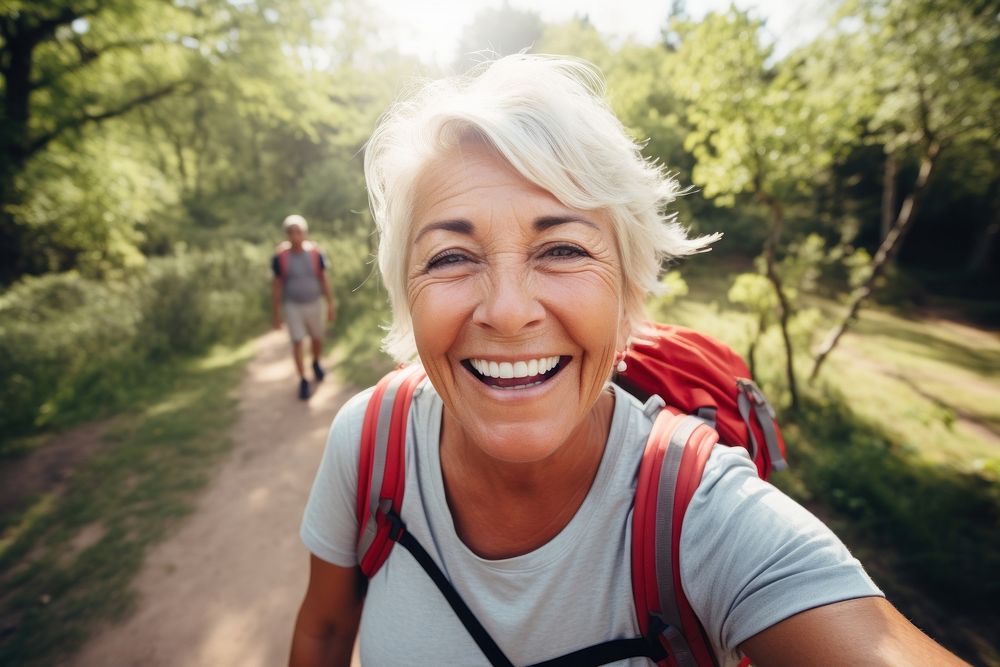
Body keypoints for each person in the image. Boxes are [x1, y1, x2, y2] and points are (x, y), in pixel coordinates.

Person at [289, 55, 965, 666]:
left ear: (630, 289)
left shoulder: (705, 518)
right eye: (451, 257)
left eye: (561, 249)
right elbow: (322, 630)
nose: (507, 311)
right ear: (405, 294)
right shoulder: (370, 439)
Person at [272, 214, 334, 400]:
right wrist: (276, 313)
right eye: (291, 232)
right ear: (287, 235)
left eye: (298, 231)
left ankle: (315, 362)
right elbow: (276, 286)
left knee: (317, 338)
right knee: (297, 341)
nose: (295, 235)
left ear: (304, 233)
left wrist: (330, 304)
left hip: (315, 303)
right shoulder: (280, 258)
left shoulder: (316, 254)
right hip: (292, 306)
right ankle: (303, 379)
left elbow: (324, 279)